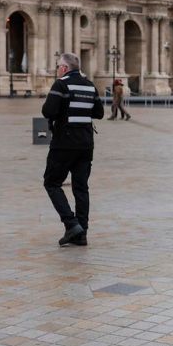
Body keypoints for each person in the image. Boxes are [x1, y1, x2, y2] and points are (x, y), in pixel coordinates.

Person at [41, 52, 104, 247]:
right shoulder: (90, 85)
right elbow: (99, 113)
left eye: (59, 66)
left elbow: (48, 111)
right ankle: (82, 233)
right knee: (81, 187)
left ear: (65, 68)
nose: (58, 69)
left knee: (51, 183)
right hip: (86, 143)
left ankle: (71, 224)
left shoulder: (61, 84)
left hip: (64, 144)